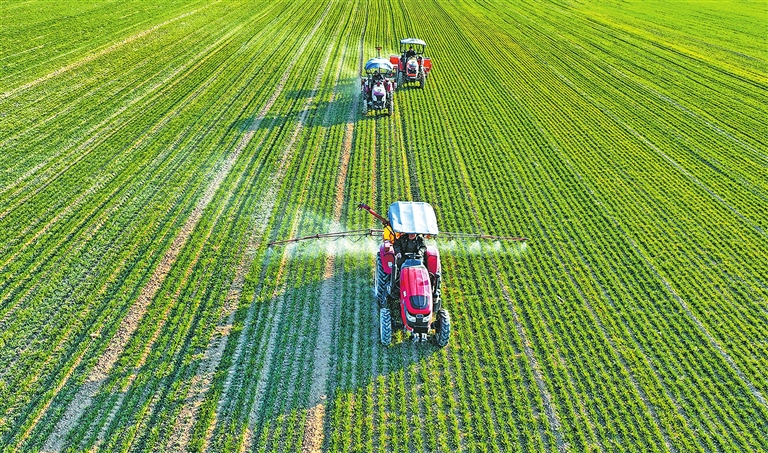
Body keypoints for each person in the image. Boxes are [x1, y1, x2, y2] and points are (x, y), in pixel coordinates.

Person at [387, 232, 427, 303]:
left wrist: (420, 252)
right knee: (398, 265)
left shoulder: (420, 239)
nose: (412, 235)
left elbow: (423, 247)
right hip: (404, 257)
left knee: (422, 266)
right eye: (411, 233)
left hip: (416, 257)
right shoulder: (402, 238)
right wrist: (398, 252)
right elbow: (396, 245)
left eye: (414, 234)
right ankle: (396, 281)